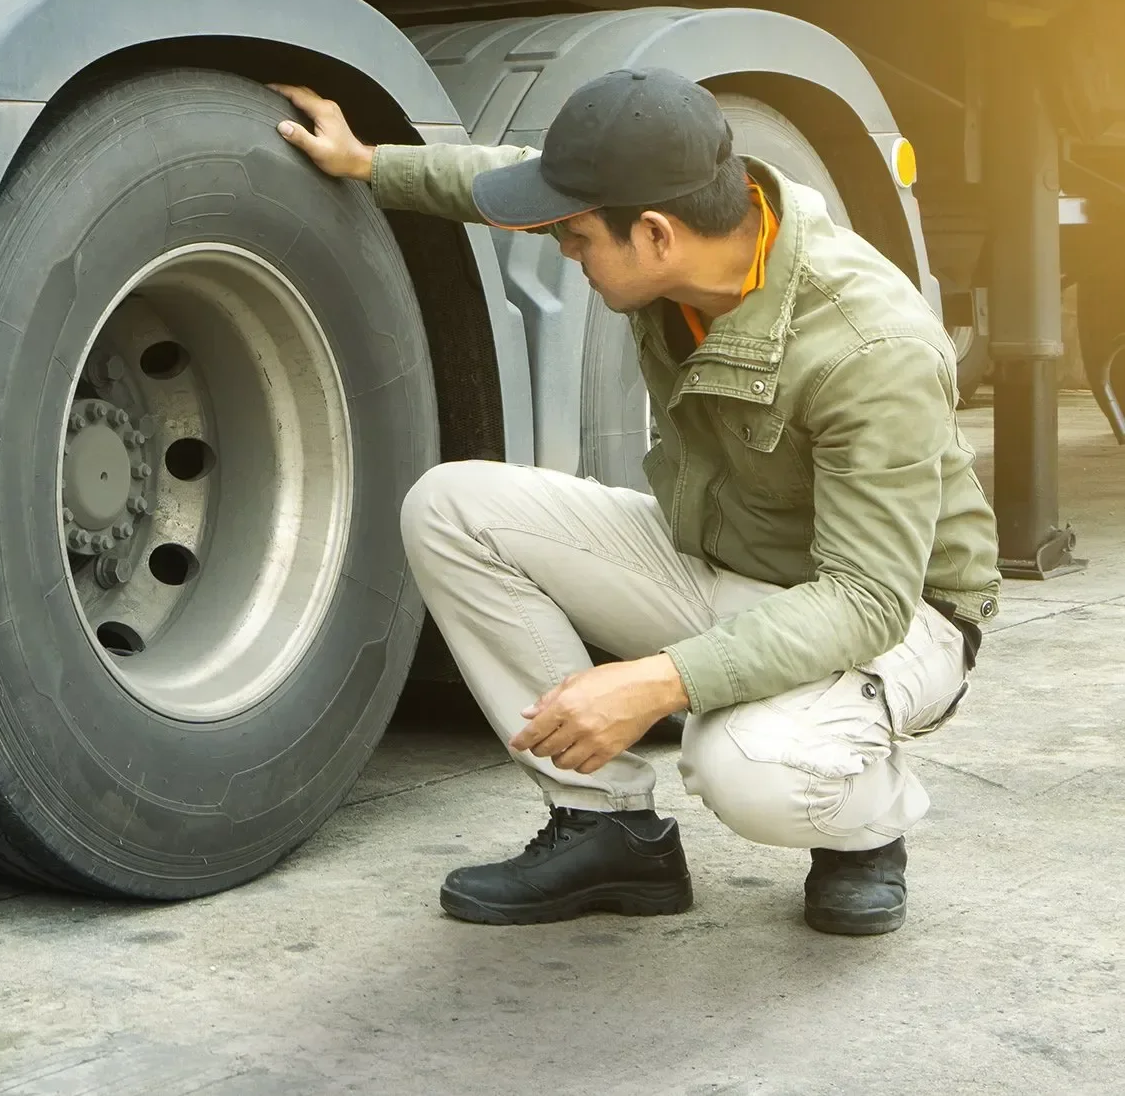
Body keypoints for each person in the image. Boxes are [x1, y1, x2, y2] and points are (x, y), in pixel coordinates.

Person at [272, 68, 1000, 937]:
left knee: (748, 769)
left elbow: (863, 599)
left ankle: (862, 827)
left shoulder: (867, 347)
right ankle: (607, 832)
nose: (563, 251)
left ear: (655, 234)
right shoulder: (697, 236)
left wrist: (656, 683)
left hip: (896, 617)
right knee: (452, 506)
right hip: (728, 561)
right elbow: (518, 178)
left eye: (576, 239)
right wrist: (368, 164)